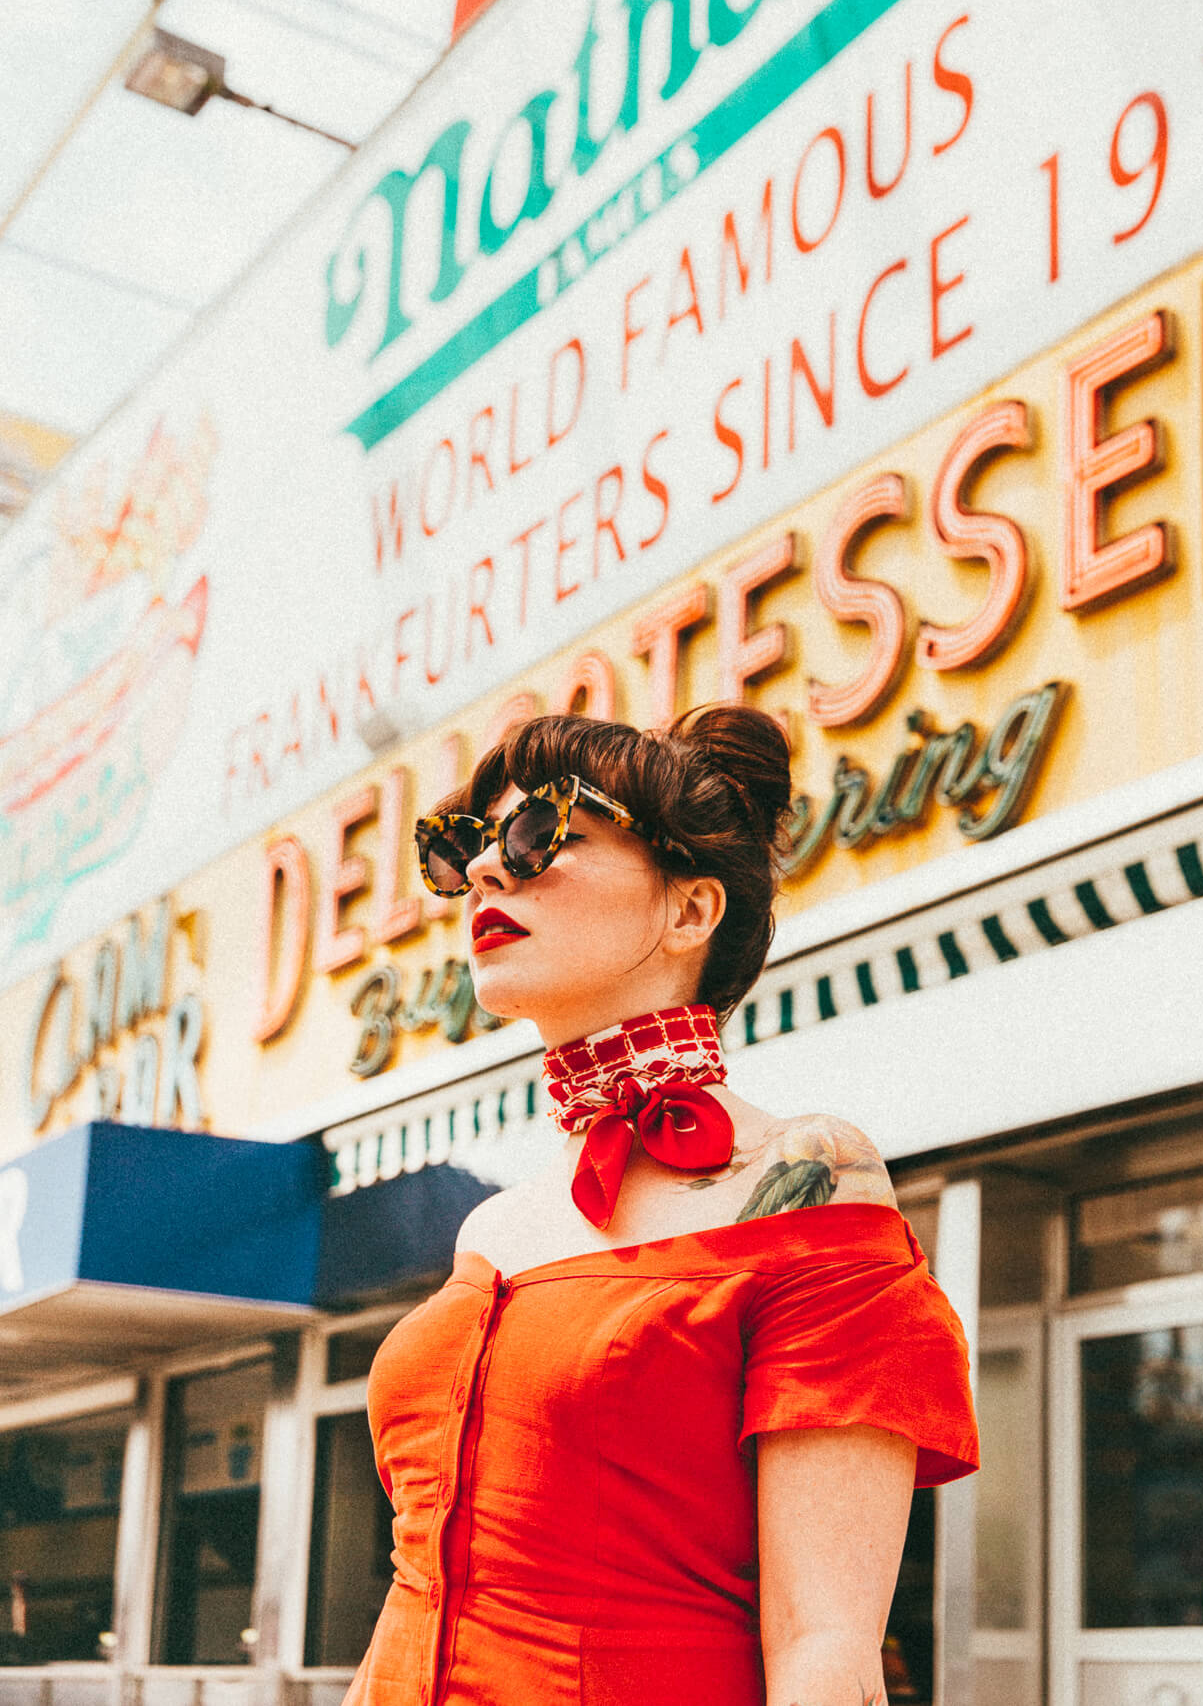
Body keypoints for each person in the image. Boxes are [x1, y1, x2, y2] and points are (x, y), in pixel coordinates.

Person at [348, 706, 978, 1706]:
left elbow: (824, 1643)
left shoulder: (807, 1175)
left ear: (689, 912)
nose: (484, 872)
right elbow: (412, 1592)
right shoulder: (494, 1230)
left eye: (540, 833)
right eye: (469, 848)